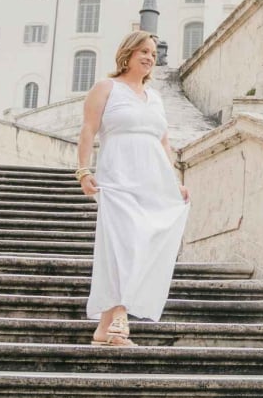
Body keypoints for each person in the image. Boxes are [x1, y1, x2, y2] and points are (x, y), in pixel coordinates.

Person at [75, 30, 190, 346]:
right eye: (143, 50)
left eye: (153, 52)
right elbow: (88, 130)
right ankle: (122, 313)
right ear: (126, 53)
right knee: (124, 243)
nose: (149, 57)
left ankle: (103, 329)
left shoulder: (155, 97)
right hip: (117, 179)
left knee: (137, 245)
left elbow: (163, 142)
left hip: (153, 183)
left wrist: (175, 182)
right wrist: (84, 170)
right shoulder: (106, 88)